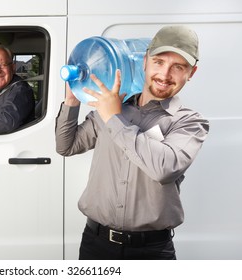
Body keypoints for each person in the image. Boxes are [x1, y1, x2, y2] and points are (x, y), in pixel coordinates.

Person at [55, 26, 209, 260]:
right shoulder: (112, 105)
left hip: (151, 252)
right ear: (144, 61)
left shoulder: (189, 122)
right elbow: (67, 146)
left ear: (192, 73)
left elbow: (164, 168)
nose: (165, 74)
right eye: (158, 62)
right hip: (96, 244)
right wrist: (71, 100)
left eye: (178, 67)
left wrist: (113, 118)